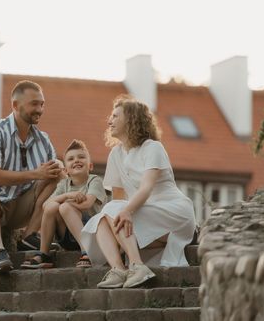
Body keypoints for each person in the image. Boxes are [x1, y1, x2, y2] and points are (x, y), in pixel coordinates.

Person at [81, 95, 196, 289]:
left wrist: (126, 211)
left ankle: (137, 265)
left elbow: (147, 187)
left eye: (116, 116)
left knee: (115, 209)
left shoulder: (153, 148)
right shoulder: (116, 154)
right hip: (145, 213)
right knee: (101, 219)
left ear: (131, 119)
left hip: (174, 212)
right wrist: (118, 225)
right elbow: (117, 198)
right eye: (110, 116)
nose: (110, 120)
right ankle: (119, 269)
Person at [0, 80, 63, 274]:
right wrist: (36, 174)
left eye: (42, 104)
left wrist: (58, 166)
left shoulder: (42, 139)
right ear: (15, 106)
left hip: (19, 206)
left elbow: (55, 170)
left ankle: (30, 236)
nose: (40, 109)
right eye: (34, 104)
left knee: (56, 174)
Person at [20, 140, 108, 269]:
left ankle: (87, 251)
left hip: (92, 234)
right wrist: (68, 195)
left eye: (81, 157)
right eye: (71, 159)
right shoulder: (63, 184)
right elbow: (46, 205)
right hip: (68, 238)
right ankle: (44, 254)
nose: (76, 160)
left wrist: (64, 203)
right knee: (52, 207)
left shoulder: (95, 180)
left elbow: (87, 204)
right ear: (66, 170)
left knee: (64, 206)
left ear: (90, 166)